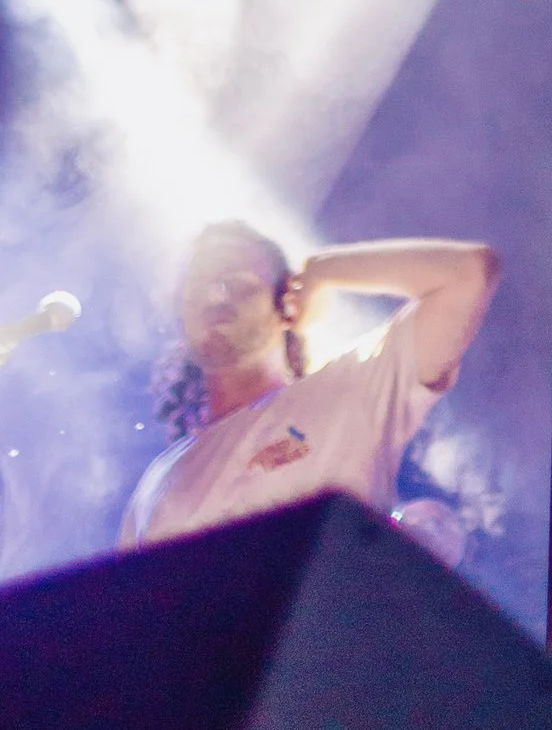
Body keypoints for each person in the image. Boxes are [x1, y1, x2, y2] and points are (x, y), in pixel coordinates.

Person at [124, 221, 499, 548]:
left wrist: (325, 270)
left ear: (287, 302)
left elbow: (467, 274)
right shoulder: (157, 480)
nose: (214, 296)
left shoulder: (351, 390)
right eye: (197, 285)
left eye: (236, 282)